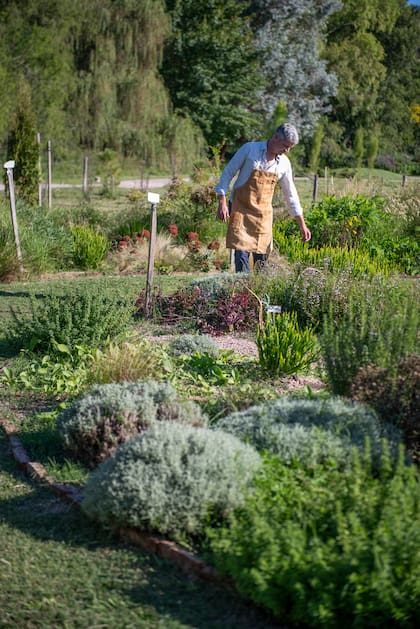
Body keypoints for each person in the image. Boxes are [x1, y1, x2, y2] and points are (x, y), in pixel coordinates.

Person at [215, 122, 311, 272]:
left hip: (263, 216)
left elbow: (291, 194)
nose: (287, 150)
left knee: (262, 264)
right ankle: (243, 292)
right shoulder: (250, 149)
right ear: (276, 137)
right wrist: (222, 202)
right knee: (241, 259)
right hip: (240, 210)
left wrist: (302, 224)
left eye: (290, 147)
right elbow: (228, 173)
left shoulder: (284, 163)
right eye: (286, 145)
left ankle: (259, 293)